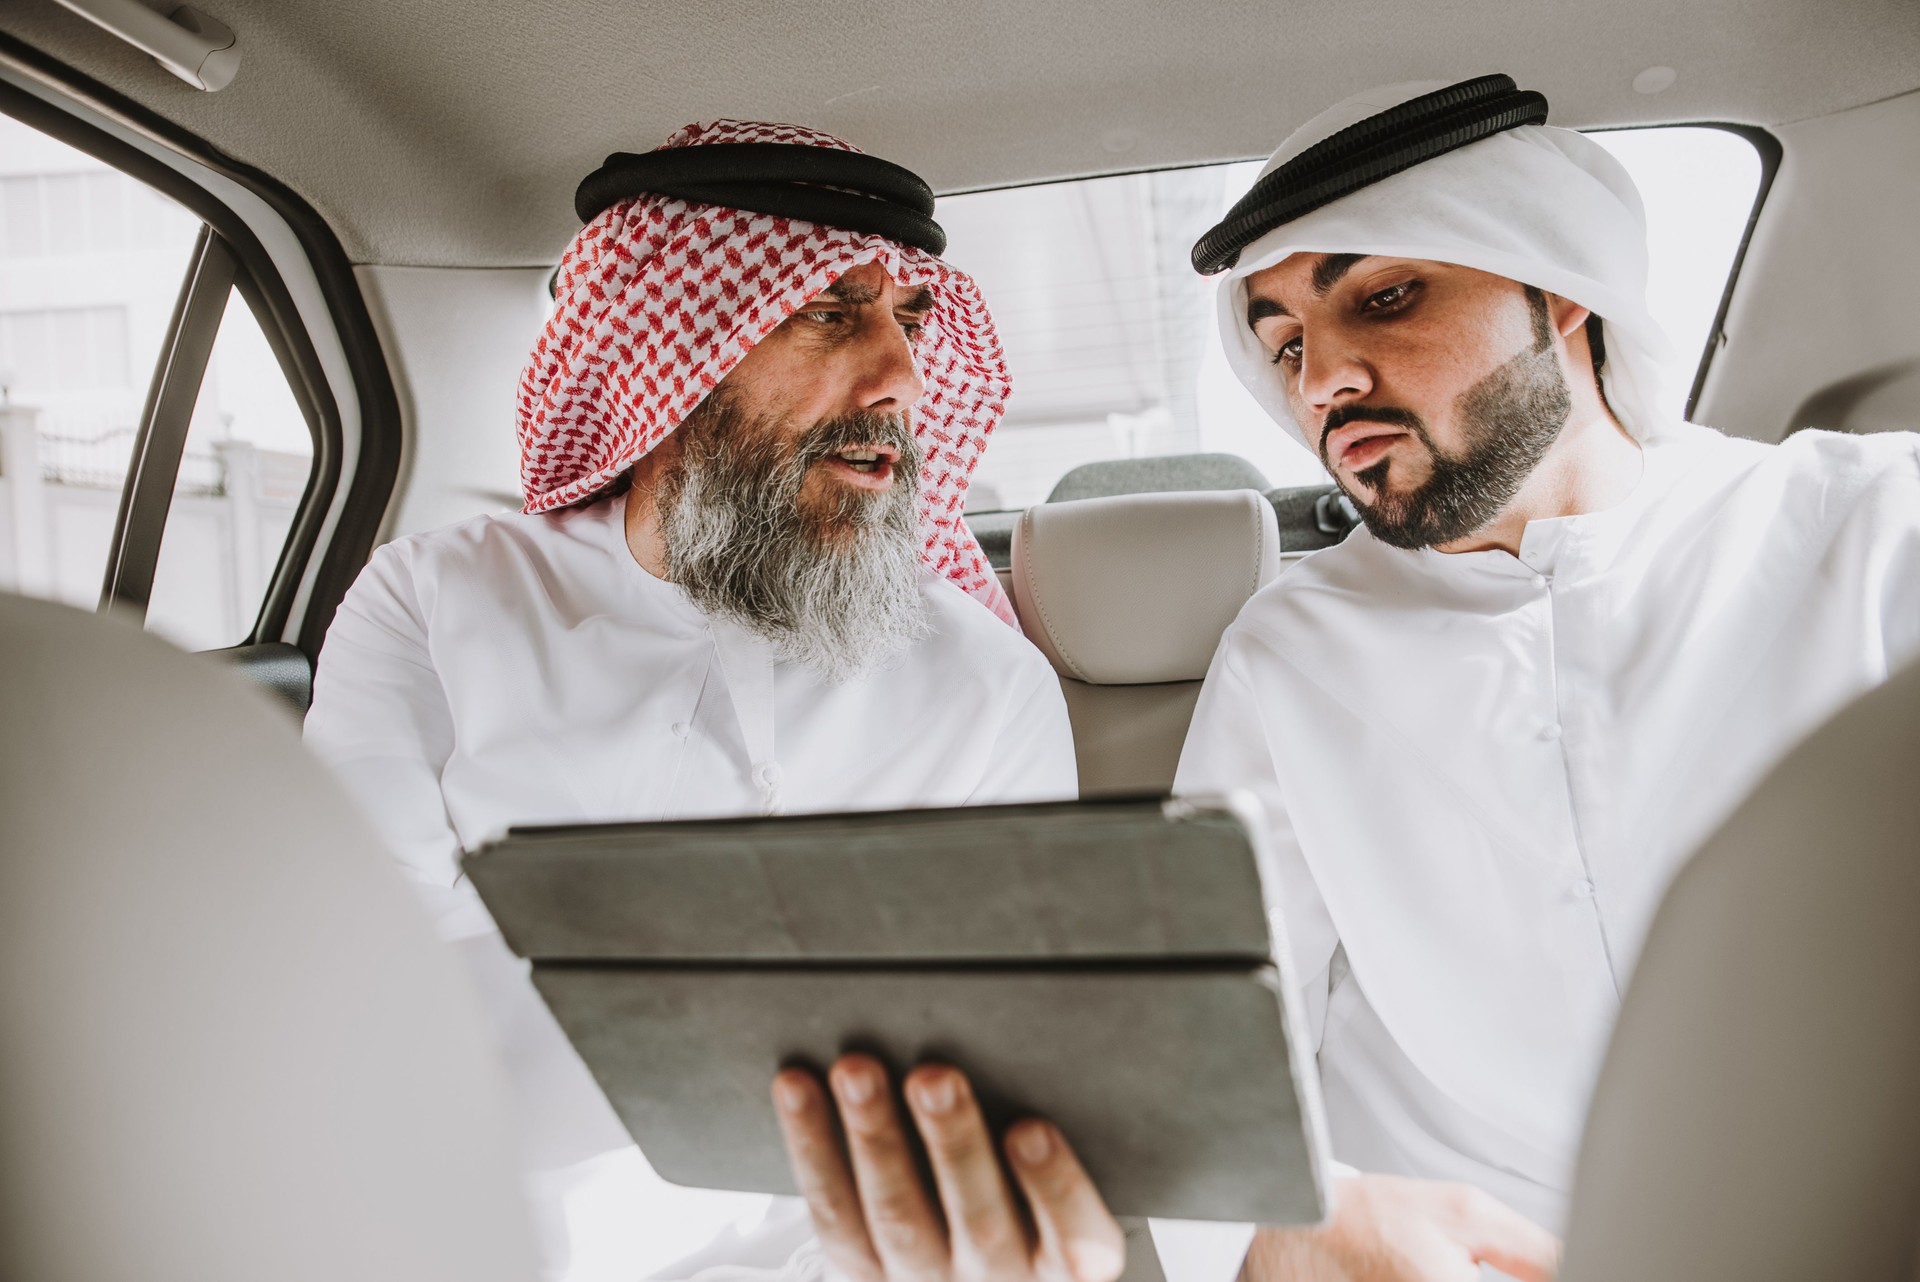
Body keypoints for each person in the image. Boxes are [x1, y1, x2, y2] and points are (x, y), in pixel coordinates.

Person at [304, 120, 1106, 1282]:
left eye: (912, 318)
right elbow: (360, 983)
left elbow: (1010, 1072)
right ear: (667, 351)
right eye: (831, 311)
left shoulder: (984, 683)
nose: (901, 377)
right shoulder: (440, 602)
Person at [1175, 75, 1920, 1279]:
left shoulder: (1875, 525)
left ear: (1561, 284)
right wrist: (1293, 1225)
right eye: (1289, 344)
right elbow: (1204, 1036)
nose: (1324, 382)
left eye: (1388, 297)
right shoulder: (1287, 652)